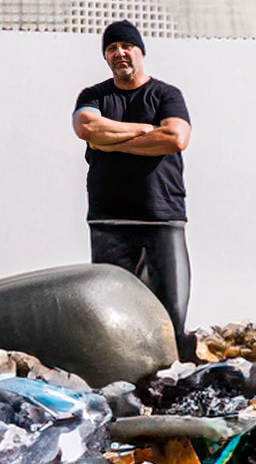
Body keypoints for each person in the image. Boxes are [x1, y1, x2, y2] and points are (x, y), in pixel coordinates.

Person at [72, 20, 193, 354]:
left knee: (171, 317)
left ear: (140, 52)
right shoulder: (93, 96)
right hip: (108, 221)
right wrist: (144, 130)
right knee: (113, 319)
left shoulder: (166, 95)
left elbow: (175, 137)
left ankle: (173, 382)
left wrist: (110, 143)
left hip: (161, 218)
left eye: (126, 46)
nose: (120, 53)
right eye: (112, 48)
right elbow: (86, 128)